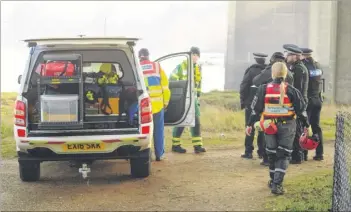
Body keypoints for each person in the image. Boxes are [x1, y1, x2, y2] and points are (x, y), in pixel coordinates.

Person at [246, 62, 309, 195]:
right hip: (287, 126)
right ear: (286, 74)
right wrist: (306, 126)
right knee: (284, 154)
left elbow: (255, 110)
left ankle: (273, 180)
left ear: (272, 73)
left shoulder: (263, 89)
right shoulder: (292, 91)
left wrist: (249, 125)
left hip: (269, 126)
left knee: (272, 154)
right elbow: (301, 111)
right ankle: (277, 184)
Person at [252, 52, 293, 166]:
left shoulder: (268, 74)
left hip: (269, 112)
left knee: (268, 135)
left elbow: (255, 81)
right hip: (285, 114)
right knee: (283, 139)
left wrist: (251, 121)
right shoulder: (289, 74)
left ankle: (267, 158)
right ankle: (282, 160)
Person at [170, 47, 206, 154]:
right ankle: (175, 145)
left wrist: (198, 97)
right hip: (184, 97)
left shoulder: (198, 68)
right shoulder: (181, 66)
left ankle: (197, 145)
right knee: (182, 120)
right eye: (193, 54)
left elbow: (198, 84)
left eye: (196, 55)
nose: (195, 57)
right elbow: (172, 79)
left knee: (196, 121)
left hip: (193, 98)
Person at [139, 48, 171, 161]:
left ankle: (143, 155)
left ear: (139, 57)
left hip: (143, 106)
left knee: (143, 131)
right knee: (158, 130)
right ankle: (159, 154)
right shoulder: (157, 66)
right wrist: (166, 102)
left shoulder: (136, 67)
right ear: (148, 56)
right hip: (158, 105)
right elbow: (165, 87)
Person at [283, 45, 309, 164]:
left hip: (299, 101)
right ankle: (301, 154)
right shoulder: (297, 67)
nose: (286, 57)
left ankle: (297, 156)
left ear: (294, 56)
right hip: (300, 100)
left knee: (297, 129)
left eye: (288, 55)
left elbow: (296, 88)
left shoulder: (298, 69)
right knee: (299, 127)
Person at [240, 52, 268, 160]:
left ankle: (248, 152)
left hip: (251, 103)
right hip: (264, 105)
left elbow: (244, 86)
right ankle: (261, 151)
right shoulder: (268, 71)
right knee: (262, 127)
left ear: (255, 59)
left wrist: (243, 101)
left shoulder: (251, 70)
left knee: (249, 126)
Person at [300, 47, 324, 161]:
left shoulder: (304, 67)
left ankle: (303, 154)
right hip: (317, 99)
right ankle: (319, 153)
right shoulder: (318, 66)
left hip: (308, 100)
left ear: (303, 55)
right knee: (316, 127)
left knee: (305, 127)